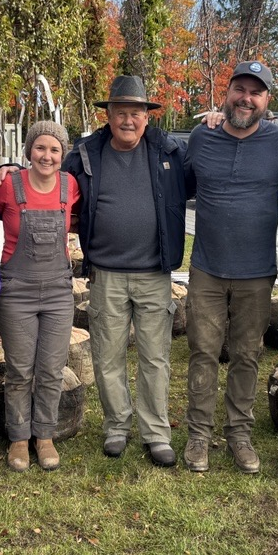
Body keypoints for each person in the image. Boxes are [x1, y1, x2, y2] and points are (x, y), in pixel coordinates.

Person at [63, 75, 190, 467]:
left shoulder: (169, 151)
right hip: (107, 274)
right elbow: (52, 180)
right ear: (109, 115)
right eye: (121, 113)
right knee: (107, 354)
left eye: (136, 113)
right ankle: (117, 426)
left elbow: (201, 182)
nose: (129, 121)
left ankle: (156, 432)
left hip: (155, 273)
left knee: (155, 356)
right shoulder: (85, 153)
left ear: (147, 117)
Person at [182, 61, 278, 475]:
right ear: (226, 92)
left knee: (247, 354)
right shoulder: (201, 137)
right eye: (239, 89)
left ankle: (239, 434)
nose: (246, 98)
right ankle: (198, 434)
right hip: (207, 269)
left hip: (256, 272)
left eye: (256, 92)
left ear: (267, 100)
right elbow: (180, 186)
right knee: (203, 352)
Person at [0, 121, 80, 472]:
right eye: (40, 148)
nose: (47, 155)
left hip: (58, 290)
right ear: (28, 151)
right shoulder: (8, 186)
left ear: (62, 155)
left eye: (54, 149)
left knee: (52, 368)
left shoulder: (70, 186)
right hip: (16, 292)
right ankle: (18, 438)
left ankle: (45, 436)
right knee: (20, 370)